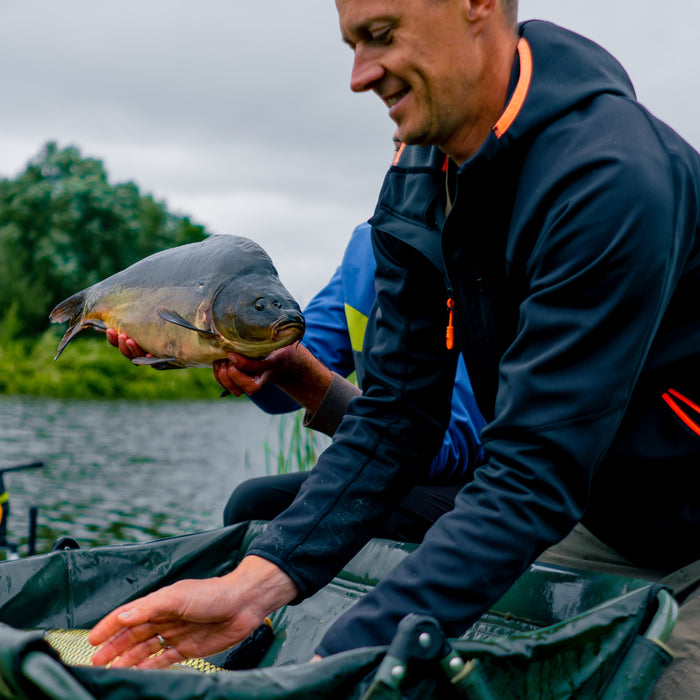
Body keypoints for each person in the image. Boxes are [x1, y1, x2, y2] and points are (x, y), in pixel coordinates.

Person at [89, 1, 700, 695]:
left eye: (380, 36)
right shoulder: (420, 176)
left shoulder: (610, 177)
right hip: (600, 517)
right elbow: (397, 419)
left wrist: (328, 671)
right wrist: (251, 588)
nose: (358, 75)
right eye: (352, 43)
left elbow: (530, 476)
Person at [221, 219, 485, 541]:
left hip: (495, 481)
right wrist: (232, 343)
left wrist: (302, 375)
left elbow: (443, 450)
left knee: (351, 514)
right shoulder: (368, 241)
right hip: (400, 460)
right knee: (253, 504)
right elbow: (284, 387)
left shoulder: (489, 238)